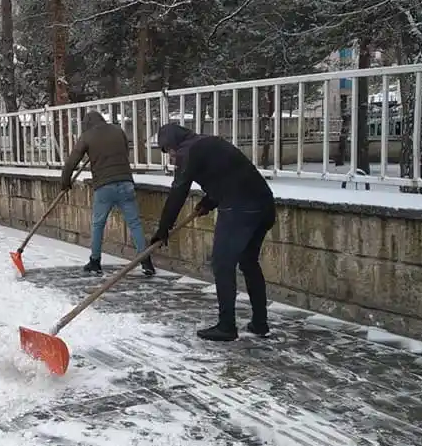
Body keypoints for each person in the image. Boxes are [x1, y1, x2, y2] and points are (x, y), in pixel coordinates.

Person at [149, 123, 275, 341]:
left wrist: (163, 228)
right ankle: (260, 323)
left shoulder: (187, 152)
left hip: (240, 209)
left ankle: (227, 327)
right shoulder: (208, 143)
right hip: (264, 205)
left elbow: (178, 191)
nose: (169, 156)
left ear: (173, 143)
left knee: (222, 264)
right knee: (248, 262)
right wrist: (208, 202)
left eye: (167, 149)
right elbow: (228, 177)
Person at [61, 111, 156, 276]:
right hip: (126, 183)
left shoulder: (87, 136)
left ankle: (95, 261)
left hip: (104, 186)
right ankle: (146, 261)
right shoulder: (117, 130)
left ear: (87, 125)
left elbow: (71, 162)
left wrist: (65, 182)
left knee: (98, 225)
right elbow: (125, 152)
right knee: (134, 223)